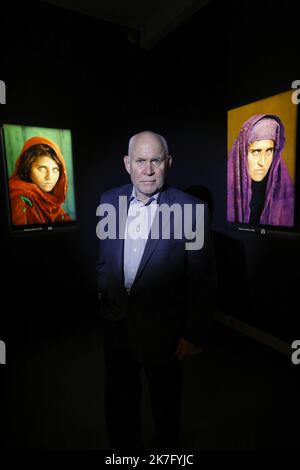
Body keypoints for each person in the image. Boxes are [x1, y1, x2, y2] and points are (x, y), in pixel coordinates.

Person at [96, 131, 217, 450]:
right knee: (119, 404)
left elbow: (203, 279)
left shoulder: (192, 210)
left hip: (166, 333)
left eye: (156, 160)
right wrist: (105, 296)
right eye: (140, 161)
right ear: (127, 164)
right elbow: (104, 259)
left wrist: (193, 333)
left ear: (168, 163)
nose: (148, 169)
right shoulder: (109, 201)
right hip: (118, 325)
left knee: (166, 409)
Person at [227, 114, 294, 226]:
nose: (262, 162)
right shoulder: (227, 187)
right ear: (243, 153)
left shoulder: (285, 188)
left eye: (269, 151)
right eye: (256, 152)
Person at [9, 136, 71, 225]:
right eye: (42, 168)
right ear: (27, 168)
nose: (49, 177)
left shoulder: (50, 199)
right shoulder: (19, 200)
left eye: (55, 169)